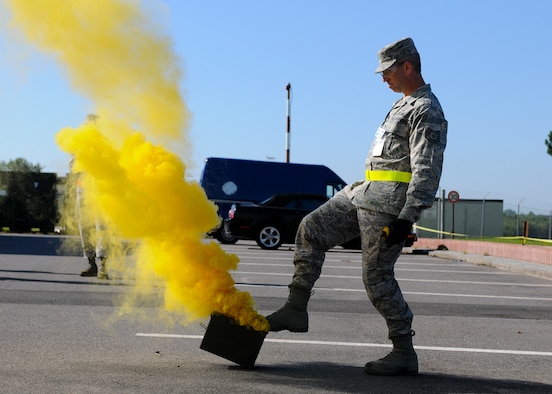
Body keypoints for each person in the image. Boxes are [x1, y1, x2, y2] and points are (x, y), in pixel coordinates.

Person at [265, 37, 447, 376]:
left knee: (376, 275)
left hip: (389, 205)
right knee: (311, 228)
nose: (382, 78)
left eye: (388, 71)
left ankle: (404, 350)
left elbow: (427, 169)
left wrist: (408, 219)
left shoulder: (427, 109)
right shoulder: (400, 105)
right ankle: (295, 307)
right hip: (364, 193)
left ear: (408, 66)